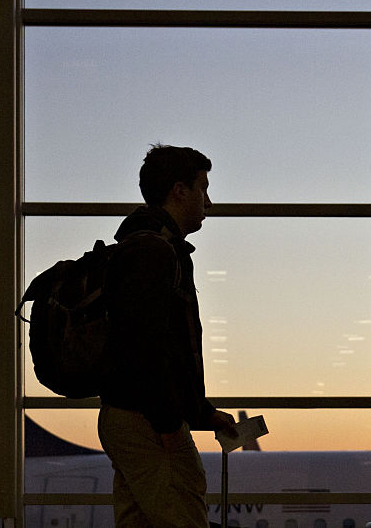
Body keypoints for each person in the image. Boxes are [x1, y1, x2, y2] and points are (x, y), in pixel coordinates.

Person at [98, 144, 237, 527]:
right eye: (202, 188)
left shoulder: (140, 247)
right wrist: (170, 426)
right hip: (147, 421)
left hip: (127, 417)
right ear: (179, 191)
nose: (208, 202)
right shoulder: (155, 253)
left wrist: (201, 413)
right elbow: (148, 350)